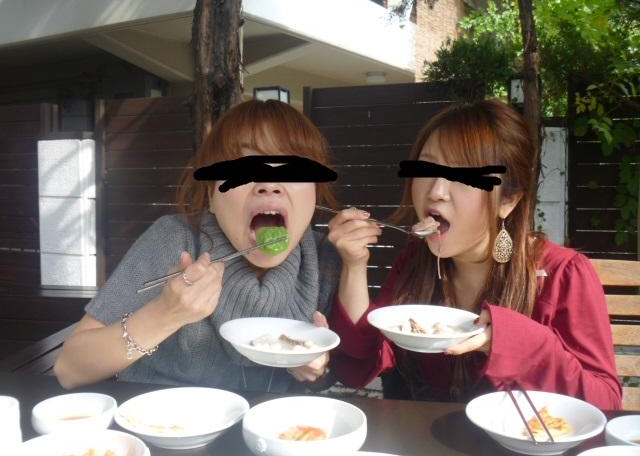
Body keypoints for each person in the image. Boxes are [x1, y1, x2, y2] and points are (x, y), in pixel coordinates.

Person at [327, 99, 622, 410]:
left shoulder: (562, 274)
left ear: (508, 200)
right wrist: (354, 265)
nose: (436, 191)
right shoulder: (415, 263)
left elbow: (605, 404)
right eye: (427, 168)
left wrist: (519, 342)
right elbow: (361, 360)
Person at [54, 99, 341, 392]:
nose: (269, 184)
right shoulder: (174, 240)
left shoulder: (322, 258)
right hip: (163, 414)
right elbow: (70, 368)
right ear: (212, 196)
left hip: (273, 419)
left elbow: (331, 376)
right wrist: (165, 313)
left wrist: (315, 367)